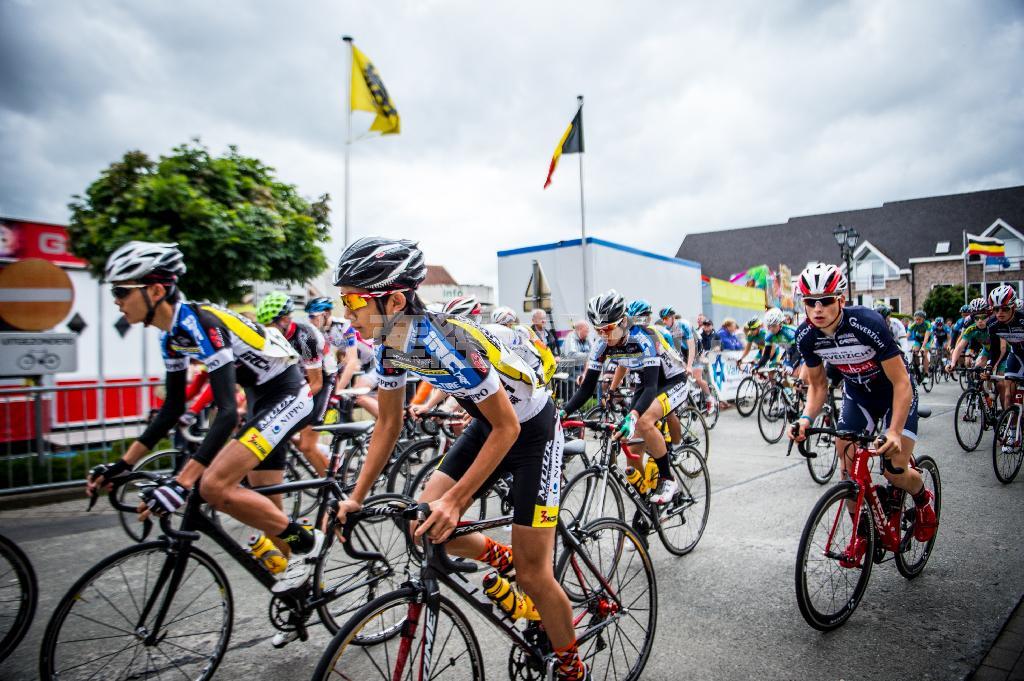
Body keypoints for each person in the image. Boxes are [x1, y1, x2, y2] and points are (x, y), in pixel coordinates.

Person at [332, 237, 587, 681]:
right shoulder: (392, 340)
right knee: (421, 525)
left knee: (534, 574)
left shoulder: (444, 341)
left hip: (531, 429)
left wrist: (455, 503)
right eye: (345, 299)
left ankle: (570, 666)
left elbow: (509, 428)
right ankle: (502, 558)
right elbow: (388, 426)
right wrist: (356, 496)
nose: (348, 311)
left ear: (394, 299)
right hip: (489, 423)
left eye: (354, 300)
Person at [87, 242, 325, 635]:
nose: (116, 301)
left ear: (156, 290)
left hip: (286, 393)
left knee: (214, 485)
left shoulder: (199, 321)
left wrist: (183, 482)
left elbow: (226, 412)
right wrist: (123, 464)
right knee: (267, 513)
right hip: (261, 399)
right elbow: (170, 409)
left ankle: (307, 540)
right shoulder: (172, 337)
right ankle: (308, 596)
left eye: (121, 291)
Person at [790, 263, 936, 555]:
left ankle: (923, 500)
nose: (818, 308)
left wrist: (894, 431)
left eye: (826, 300)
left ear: (841, 300)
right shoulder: (806, 336)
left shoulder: (867, 323)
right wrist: (806, 418)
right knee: (847, 469)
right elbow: (818, 387)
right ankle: (862, 534)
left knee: (894, 471)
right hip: (859, 395)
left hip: (894, 392)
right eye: (810, 302)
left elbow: (901, 382)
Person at [561, 289, 689, 504]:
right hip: (644, 382)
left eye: (608, 329)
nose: (603, 336)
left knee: (645, 420)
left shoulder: (644, 336)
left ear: (622, 322)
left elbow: (651, 387)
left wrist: (633, 416)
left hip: (670, 381)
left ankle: (668, 479)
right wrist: (563, 412)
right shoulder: (602, 344)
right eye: (598, 330)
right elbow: (586, 388)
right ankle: (647, 504)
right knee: (633, 452)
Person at [256, 292, 331, 483]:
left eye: (270, 326)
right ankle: (323, 454)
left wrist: (286, 404)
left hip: (322, 382)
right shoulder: (273, 336)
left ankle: (334, 487)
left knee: (307, 446)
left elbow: (316, 384)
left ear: (284, 320)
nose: (267, 331)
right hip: (298, 382)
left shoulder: (304, 337)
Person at [981, 285, 1024, 452]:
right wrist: (989, 367)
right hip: (1017, 355)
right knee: (1008, 393)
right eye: (996, 309)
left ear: (1013, 307)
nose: (1000, 312)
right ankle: (1013, 435)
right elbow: (996, 350)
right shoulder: (993, 325)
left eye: (1005, 308)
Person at [907, 310, 932, 375]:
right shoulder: (914, 324)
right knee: (915, 352)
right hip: (918, 339)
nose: (917, 321)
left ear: (923, 319)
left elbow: (926, 338)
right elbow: (907, 335)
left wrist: (923, 347)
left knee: (924, 354)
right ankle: (917, 368)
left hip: (927, 340)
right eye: (916, 319)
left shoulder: (927, 324)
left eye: (919, 319)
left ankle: (926, 372)